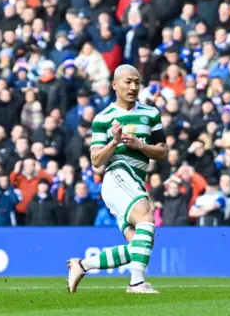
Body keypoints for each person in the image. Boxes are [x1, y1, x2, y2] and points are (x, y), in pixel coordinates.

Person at [66, 65, 167, 294]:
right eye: (127, 82)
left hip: (136, 181)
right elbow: (96, 160)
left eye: (136, 83)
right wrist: (115, 141)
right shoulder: (103, 118)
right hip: (117, 176)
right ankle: (137, 283)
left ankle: (81, 265)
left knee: (141, 243)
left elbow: (162, 153)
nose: (133, 87)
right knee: (146, 217)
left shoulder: (151, 114)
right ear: (114, 85)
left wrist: (140, 145)